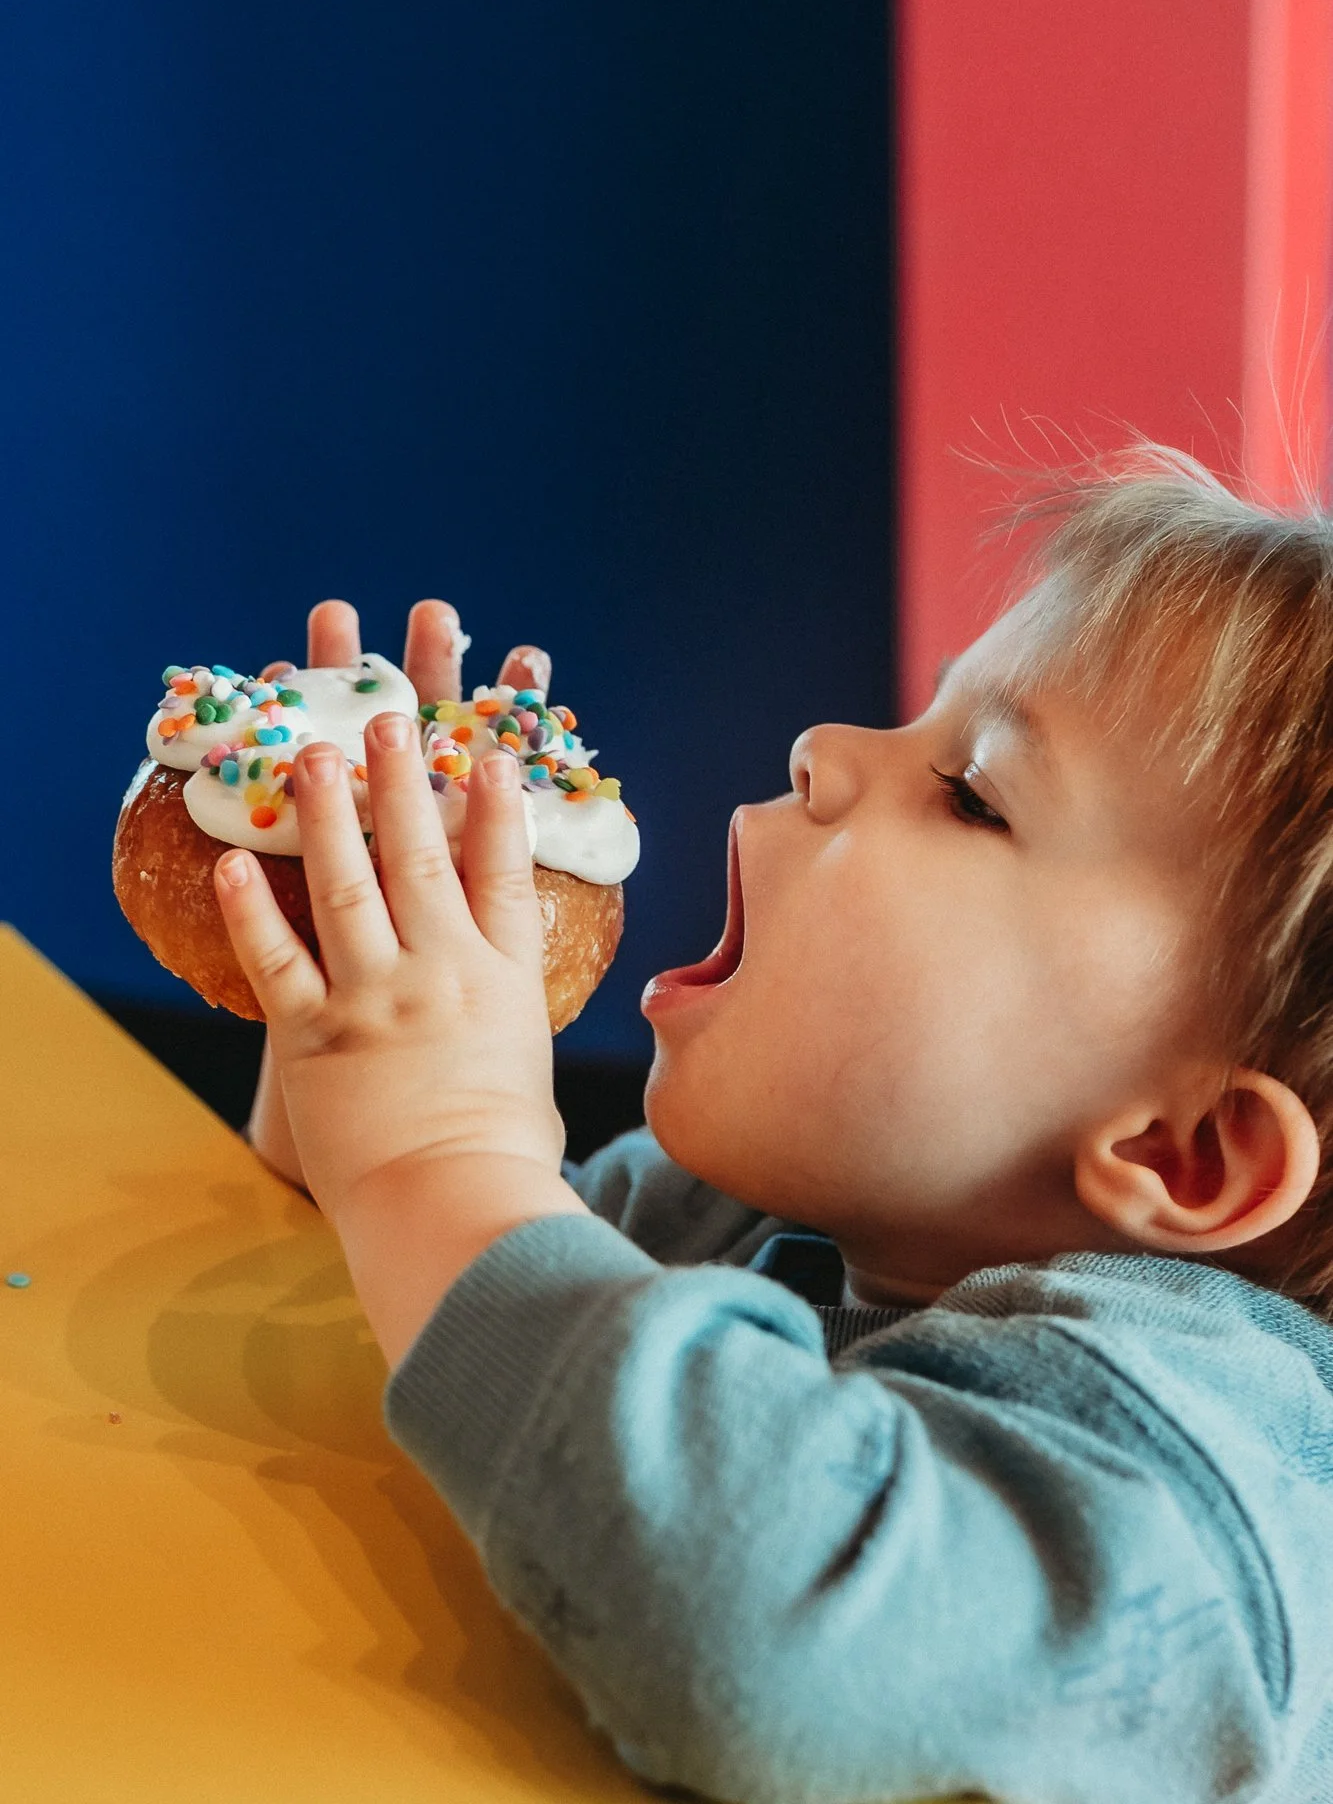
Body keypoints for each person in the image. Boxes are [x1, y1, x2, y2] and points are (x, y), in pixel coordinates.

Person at [225, 445, 1333, 1804]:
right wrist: (361, 1010)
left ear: (1185, 1154)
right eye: (920, 720)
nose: (823, 748)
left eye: (973, 792)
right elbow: (435, 1306)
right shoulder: (769, 1217)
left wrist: (439, 1152)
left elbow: (771, 1632)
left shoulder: (1204, 1491)